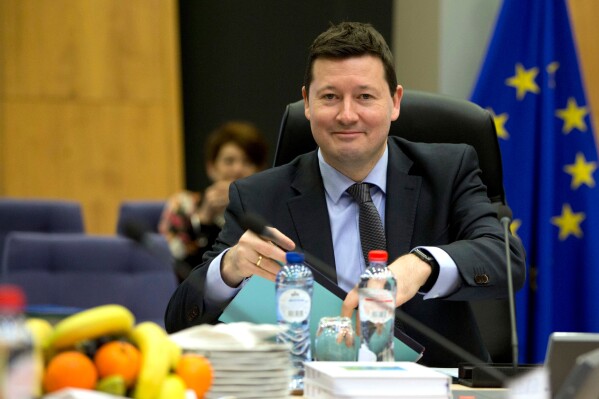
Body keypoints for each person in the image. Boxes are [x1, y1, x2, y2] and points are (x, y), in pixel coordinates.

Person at [164, 22, 526, 367]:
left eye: (365, 96)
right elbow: (180, 321)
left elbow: (504, 259)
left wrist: (421, 265)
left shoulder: (449, 171)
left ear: (395, 102)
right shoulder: (259, 197)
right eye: (330, 97)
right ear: (307, 103)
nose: (347, 115)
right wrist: (227, 271)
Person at [158, 121, 268, 282]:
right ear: (212, 167)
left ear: (260, 170)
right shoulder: (183, 204)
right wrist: (203, 218)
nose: (238, 169)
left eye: (247, 162)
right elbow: (169, 264)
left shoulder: (269, 206)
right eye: (229, 161)